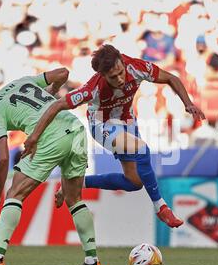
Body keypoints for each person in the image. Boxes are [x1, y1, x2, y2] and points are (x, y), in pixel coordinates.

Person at [22, 44, 205, 228]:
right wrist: (34, 137)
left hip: (127, 120)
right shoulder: (92, 89)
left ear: (122, 61)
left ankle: (75, 183)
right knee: (141, 149)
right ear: (102, 75)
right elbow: (57, 105)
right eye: (113, 77)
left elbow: (171, 78)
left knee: (134, 182)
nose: (120, 79)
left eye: (120, 72)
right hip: (102, 124)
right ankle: (161, 207)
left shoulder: (135, 67)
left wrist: (188, 103)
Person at [0, 68, 103, 265]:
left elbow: (2, 157)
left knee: (14, 194)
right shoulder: (21, 81)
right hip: (76, 129)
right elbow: (63, 73)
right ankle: (92, 262)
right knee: (74, 198)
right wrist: (51, 93)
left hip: (50, 135)